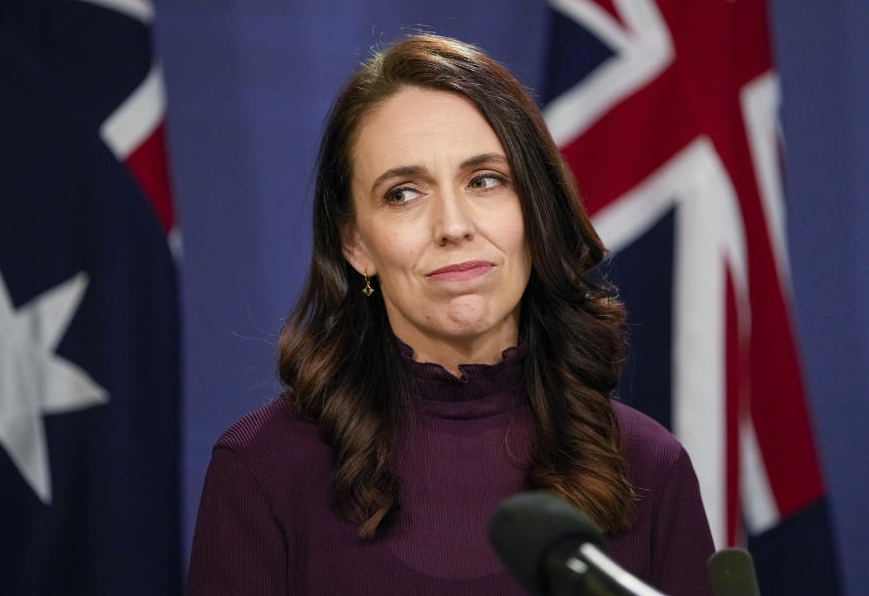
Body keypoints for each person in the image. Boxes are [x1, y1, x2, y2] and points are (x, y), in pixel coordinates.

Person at [186, 34, 714, 595]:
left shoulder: (649, 468)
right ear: (355, 244)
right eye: (403, 193)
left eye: (485, 180)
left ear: (534, 211)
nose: (453, 226)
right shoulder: (262, 472)